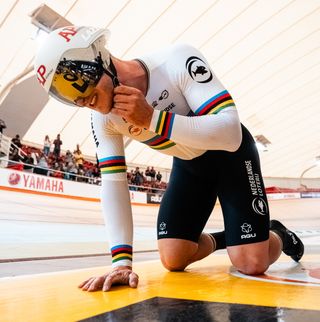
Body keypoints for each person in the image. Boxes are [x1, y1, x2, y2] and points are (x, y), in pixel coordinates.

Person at [34, 26, 304, 292]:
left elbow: (230, 133)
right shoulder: (103, 119)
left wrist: (152, 118)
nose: (81, 100)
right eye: (67, 96)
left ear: (98, 59)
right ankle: (237, 238)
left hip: (230, 155)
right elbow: (113, 182)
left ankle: (279, 234)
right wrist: (121, 263)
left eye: (76, 83)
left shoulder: (176, 60)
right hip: (190, 165)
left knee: (250, 262)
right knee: (174, 257)